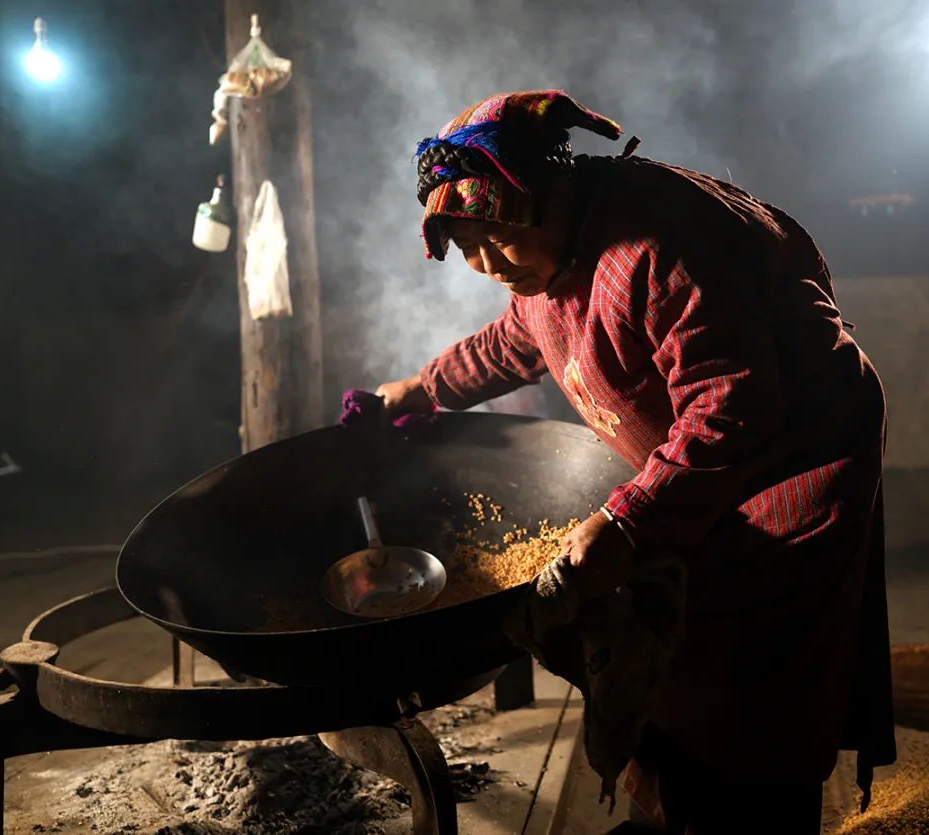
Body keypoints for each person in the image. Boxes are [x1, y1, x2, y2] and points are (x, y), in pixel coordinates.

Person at [373, 90, 894, 834]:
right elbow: (515, 340)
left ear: (550, 190)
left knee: (750, 679)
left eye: (497, 238)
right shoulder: (552, 255)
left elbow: (732, 407)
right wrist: (419, 389)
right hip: (708, 465)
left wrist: (626, 519)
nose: (487, 264)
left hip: (796, 466)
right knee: (672, 659)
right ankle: (686, 812)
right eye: (468, 247)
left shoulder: (658, 244)